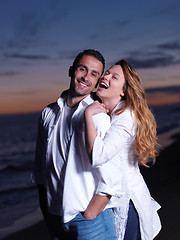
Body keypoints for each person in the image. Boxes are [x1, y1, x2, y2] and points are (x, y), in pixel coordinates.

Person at [32, 49, 117, 240]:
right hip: (54, 214)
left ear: (97, 82)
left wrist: (90, 214)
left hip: (89, 218)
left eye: (94, 74)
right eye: (82, 69)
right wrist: (44, 205)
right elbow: (40, 166)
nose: (86, 77)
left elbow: (114, 175)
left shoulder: (98, 117)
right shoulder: (48, 113)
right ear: (71, 71)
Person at [84, 60, 162, 240]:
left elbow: (99, 156)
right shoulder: (113, 114)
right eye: (107, 72)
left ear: (123, 91)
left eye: (114, 76)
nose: (106, 76)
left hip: (128, 202)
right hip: (118, 199)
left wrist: (89, 115)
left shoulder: (126, 116)